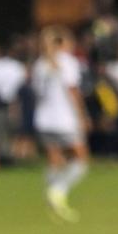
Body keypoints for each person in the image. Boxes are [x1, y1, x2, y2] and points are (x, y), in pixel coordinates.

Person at [31, 25, 90, 222]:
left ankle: (51, 196)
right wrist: (82, 116)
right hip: (64, 119)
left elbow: (37, 93)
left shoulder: (40, 64)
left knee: (55, 161)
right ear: (63, 43)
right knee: (81, 161)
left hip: (43, 120)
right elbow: (73, 91)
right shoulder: (67, 62)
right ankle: (57, 192)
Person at [0, 35, 28, 169]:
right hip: (13, 103)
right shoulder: (17, 66)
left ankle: (6, 157)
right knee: (11, 132)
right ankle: (8, 158)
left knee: (1, 132)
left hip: (1, 104)